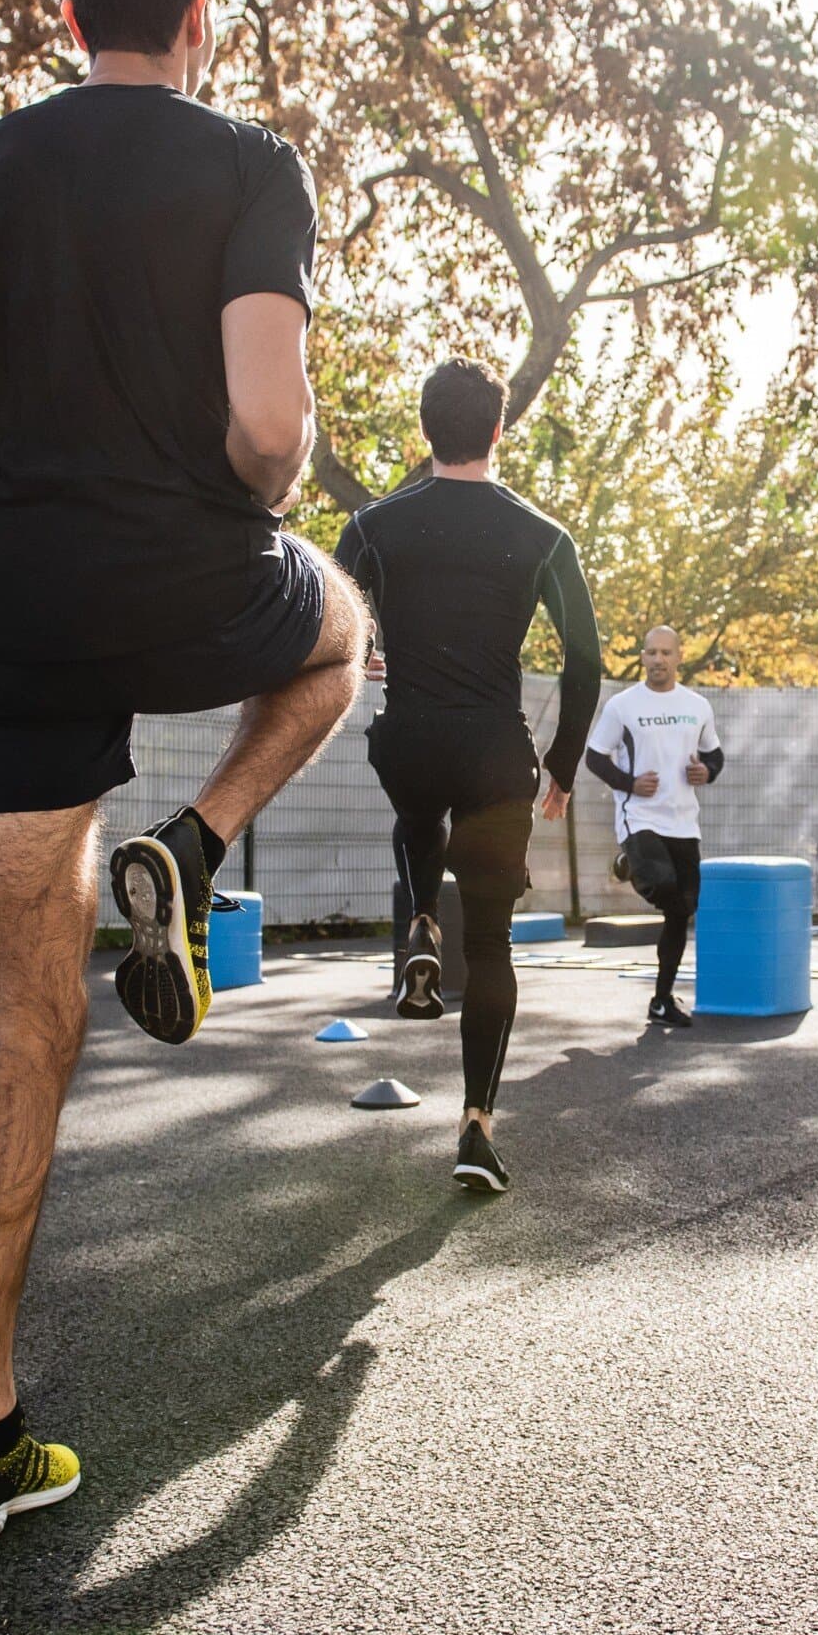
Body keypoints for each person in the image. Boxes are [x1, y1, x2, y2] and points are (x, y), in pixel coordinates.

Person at [0, 0, 367, 1545]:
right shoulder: (247, 166)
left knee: (25, 1025)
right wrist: (254, 483)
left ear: (67, 16)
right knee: (339, 636)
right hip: (188, 587)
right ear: (200, 16)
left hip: (7, 622)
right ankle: (197, 843)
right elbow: (266, 432)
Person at [336, 359, 601, 1194]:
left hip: (410, 739)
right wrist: (561, 765)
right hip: (496, 754)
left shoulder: (374, 525)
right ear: (498, 428)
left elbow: (332, 620)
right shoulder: (543, 535)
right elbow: (587, 661)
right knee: (490, 945)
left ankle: (418, 921)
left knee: (417, 807)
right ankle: (477, 1126)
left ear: (425, 428)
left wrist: (368, 650)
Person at [582, 627, 723, 1028]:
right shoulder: (623, 706)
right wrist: (629, 783)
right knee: (662, 886)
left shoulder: (697, 705)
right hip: (639, 817)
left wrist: (705, 771)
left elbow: (715, 755)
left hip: (683, 822)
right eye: (651, 653)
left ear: (679, 656)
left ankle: (661, 1001)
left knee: (682, 909)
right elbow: (595, 758)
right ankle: (632, 859)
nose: (658, 659)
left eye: (666, 653)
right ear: (643, 658)